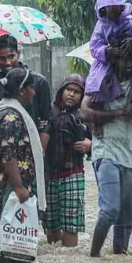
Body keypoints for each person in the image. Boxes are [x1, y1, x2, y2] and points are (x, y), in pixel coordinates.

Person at [81, 45, 132, 257]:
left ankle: (119, 259)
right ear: (113, 59)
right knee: (110, 208)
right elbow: (84, 112)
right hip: (106, 148)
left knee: (128, 216)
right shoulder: (100, 81)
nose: (128, 63)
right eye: (123, 58)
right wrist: (119, 112)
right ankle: (94, 257)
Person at [0, 68, 47, 263]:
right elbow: (8, 154)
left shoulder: (12, 111)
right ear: (21, 91)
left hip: (13, 187)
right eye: (31, 88)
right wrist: (20, 187)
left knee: (16, 241)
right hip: (10, 188)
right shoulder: (11, 116)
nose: (34, 93)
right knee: (10, 242)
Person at [40, 75, 92, 247]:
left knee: (71, 224)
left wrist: (89, 144)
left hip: (73, 174)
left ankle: (69, 257)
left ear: (82, 95)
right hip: (50, 175)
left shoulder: (85, 114)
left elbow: (101, 139)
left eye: (77, 92)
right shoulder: (49, 111)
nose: (71, 94)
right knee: (51, 224)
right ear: (62, 91)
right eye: (69, 90)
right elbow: (41, 143)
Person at [85, 0, 132, 111]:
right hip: (109, 61)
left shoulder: (130, 20)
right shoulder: (101, 25)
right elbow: (94, 47)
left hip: (131, 56)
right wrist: (107, 51)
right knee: (99, 81)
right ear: (103, 9)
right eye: (110, 9)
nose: (114, 13)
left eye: (117, 9)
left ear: (122, 7)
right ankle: (98, 112)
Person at [0, 35, 52, 132]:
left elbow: (46, 120)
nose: (8, 63)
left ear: (18, 54)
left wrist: (40, 146)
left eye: (11, 57)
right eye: (2, 58)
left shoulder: (38, 81)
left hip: (32, 137)